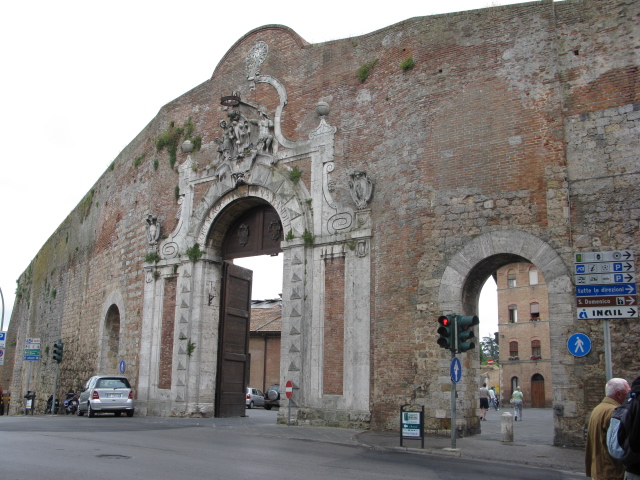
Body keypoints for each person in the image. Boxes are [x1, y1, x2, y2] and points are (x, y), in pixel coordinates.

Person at [586, 377, 630, 480]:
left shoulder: (598, 408)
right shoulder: (614, 412)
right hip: (611, 472)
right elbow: (617, 445)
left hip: (598, 470)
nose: (629, 396)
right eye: (628, 392)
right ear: (619, 394)